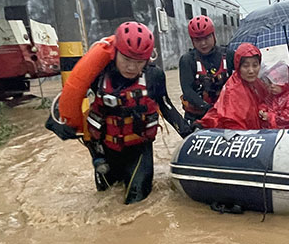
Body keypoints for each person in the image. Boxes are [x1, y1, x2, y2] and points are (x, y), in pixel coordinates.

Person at [49, 21, 192, 204]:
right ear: (115, 53)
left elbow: (167, 107)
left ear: (147, 60)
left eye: (139, 62)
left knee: (136, 205)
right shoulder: (99, 73)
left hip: (139, 150)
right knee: (104, 203)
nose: (132, 67)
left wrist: (189, 134)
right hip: (104, 151)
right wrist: (61, 122)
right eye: (126, 60)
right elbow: (72, 94)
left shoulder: (154, 76)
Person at [198, 43, 271, 130]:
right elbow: (233, 125)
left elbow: (267, 102)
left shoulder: (258, 83)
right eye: (246, 66)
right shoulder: (233, 90)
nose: (251, 71)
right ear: (238, 66)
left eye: (255, 65)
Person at [178, 15, 232, 122]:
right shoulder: (187, 60)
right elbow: (187, 90)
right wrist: (209, 109)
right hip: (198, 116)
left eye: (206, 38)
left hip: (225, 114)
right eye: (198, 40)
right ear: (192, 41)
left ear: (213, 36)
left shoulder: (228, 55)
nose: (203, 43)